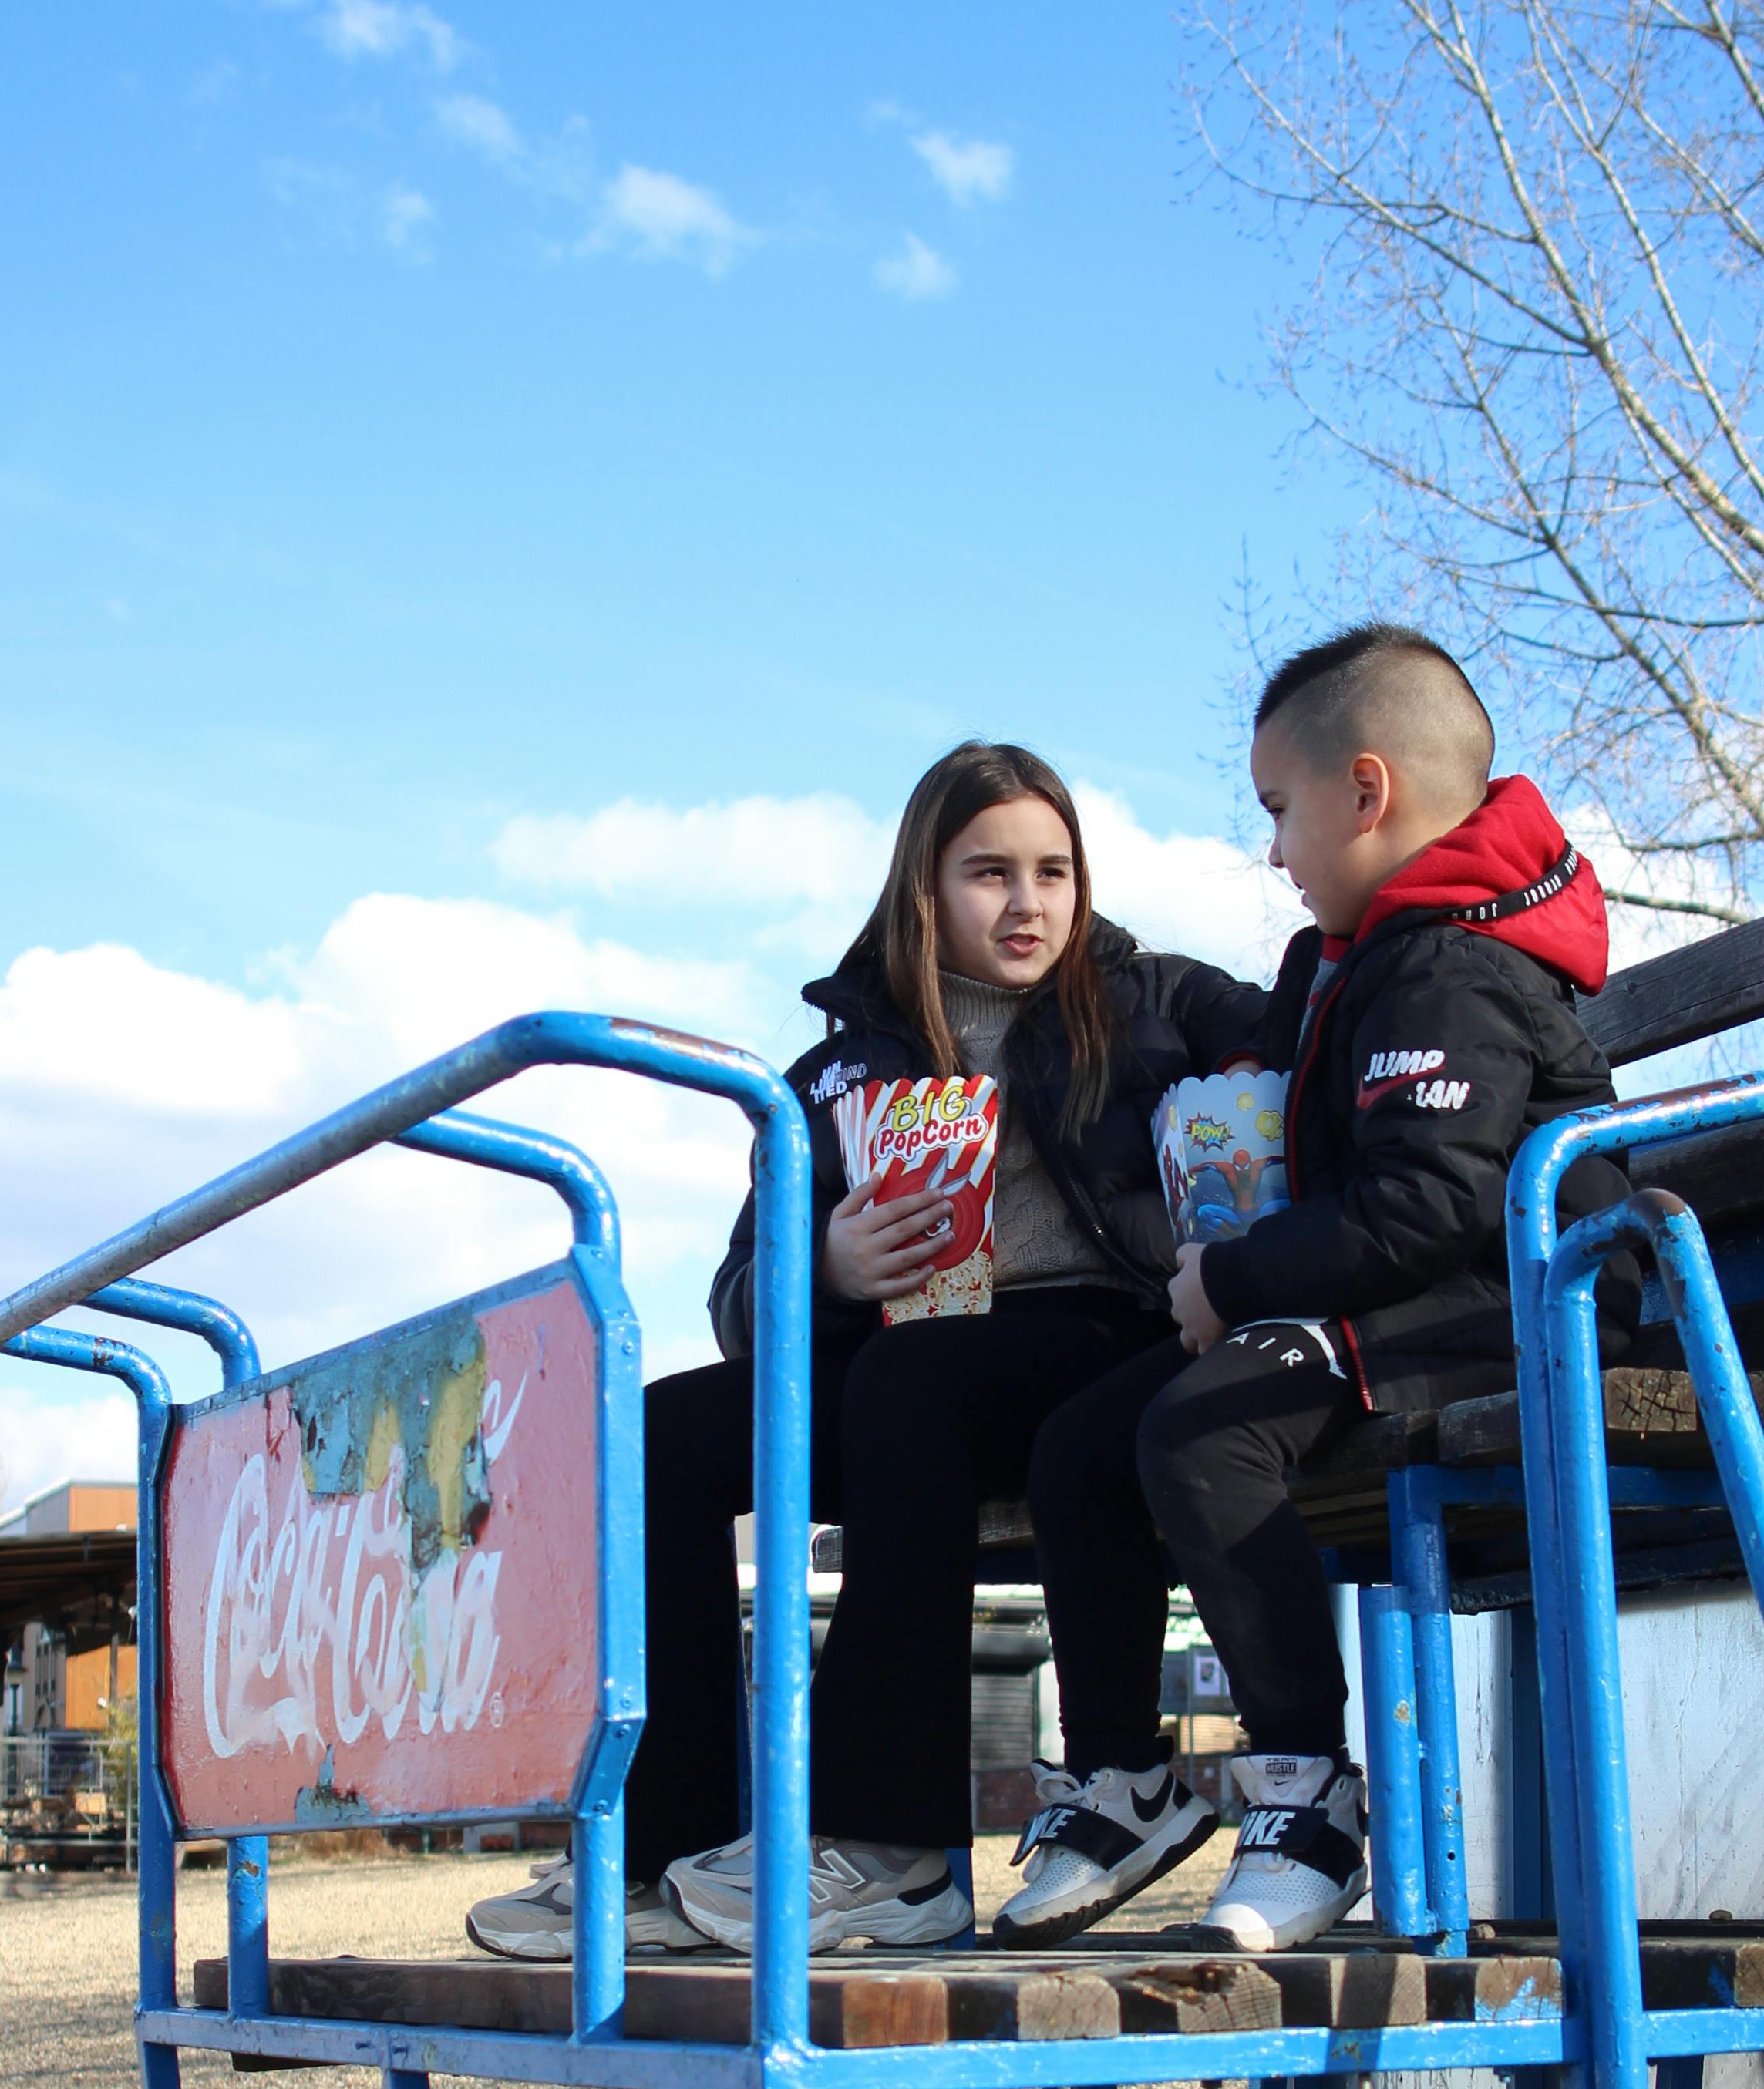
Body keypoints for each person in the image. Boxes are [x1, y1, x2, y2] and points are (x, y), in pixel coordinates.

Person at [466, 742, 1267, 1963]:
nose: (1027, 903)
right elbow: (740, 1298)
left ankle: (887, 1850)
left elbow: (1308, 1046)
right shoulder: (847, 1062)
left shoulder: (1159, 999)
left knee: (912, 1382)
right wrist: (825, 1269)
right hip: (913, 1361)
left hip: (1102, 1341)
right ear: (924, 891)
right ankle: (657, 1861)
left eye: (1054, 872)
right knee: (662, 1436)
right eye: (988, 872)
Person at [1002, 622, 1639, 1954]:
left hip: (1505, 1311)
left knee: (1201, 1426)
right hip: (1396, 1299)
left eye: (1280, 812)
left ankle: (1306, 1794)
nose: (1275, 851)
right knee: (1076, 1447)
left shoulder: (1453, 966)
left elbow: (1432, 1204)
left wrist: (1232, 1280)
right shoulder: (1360, 957)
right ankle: (1122, 1776)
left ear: (1368, 791)